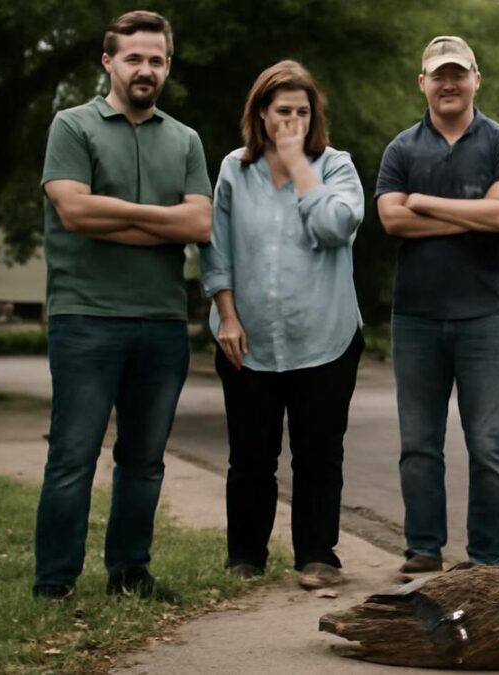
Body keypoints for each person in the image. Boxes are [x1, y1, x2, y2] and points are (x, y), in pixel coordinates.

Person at [35, 10, 212, 600]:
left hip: (162, 321)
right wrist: (163, 223)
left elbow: (200, 222)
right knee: (73, 455)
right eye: (133, 58)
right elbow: (74, 212)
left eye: (156, 59)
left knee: (144, 460)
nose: (145, 69)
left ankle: (129, 574)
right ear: (109, 62)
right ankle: (54, 581)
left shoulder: (184, 139)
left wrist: (116, 212)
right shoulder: (72, 125)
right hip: (85, 316)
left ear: (167, 66)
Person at [200, 60, 365, 589]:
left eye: (302, 111)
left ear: (314, 116)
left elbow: (335, 226)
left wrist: (300, 168)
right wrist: (226, 315)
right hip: (247, 338)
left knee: (319, 453)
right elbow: (216, 248)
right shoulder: (233, 168)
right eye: (282, 111)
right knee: (250, 453)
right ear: (262, 114)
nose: (292, 120)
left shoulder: (336, 166)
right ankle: (245, 558)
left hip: (323, 336)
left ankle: (317, 556)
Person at [375, 36, 499, 574]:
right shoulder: (401, 149)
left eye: (458, 73)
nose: (449, 83)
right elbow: (392, 220)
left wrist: (426, 204)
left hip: (486, 317)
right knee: (419, 443)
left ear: (476, 79)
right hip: (416, 317)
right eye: (438, 75)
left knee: (488, 445)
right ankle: (423, 550)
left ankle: (486, 560)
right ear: (423, 83)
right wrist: (474, 212)